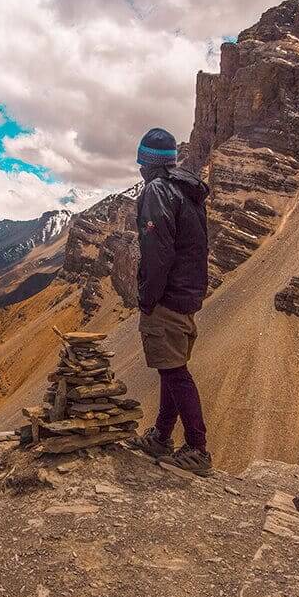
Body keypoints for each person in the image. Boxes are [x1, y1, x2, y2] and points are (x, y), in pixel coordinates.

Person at [127, 127, 213, 475]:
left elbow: (157, 253)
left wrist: (147, 297)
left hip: (167, 297)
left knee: (175, 372)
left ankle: (197, 447)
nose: (140, 170)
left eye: (141, 163)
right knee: (170, 367)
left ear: (149, 164)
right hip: (188, 294)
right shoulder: (186, 190)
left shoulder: (157, 192)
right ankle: (162, 436)